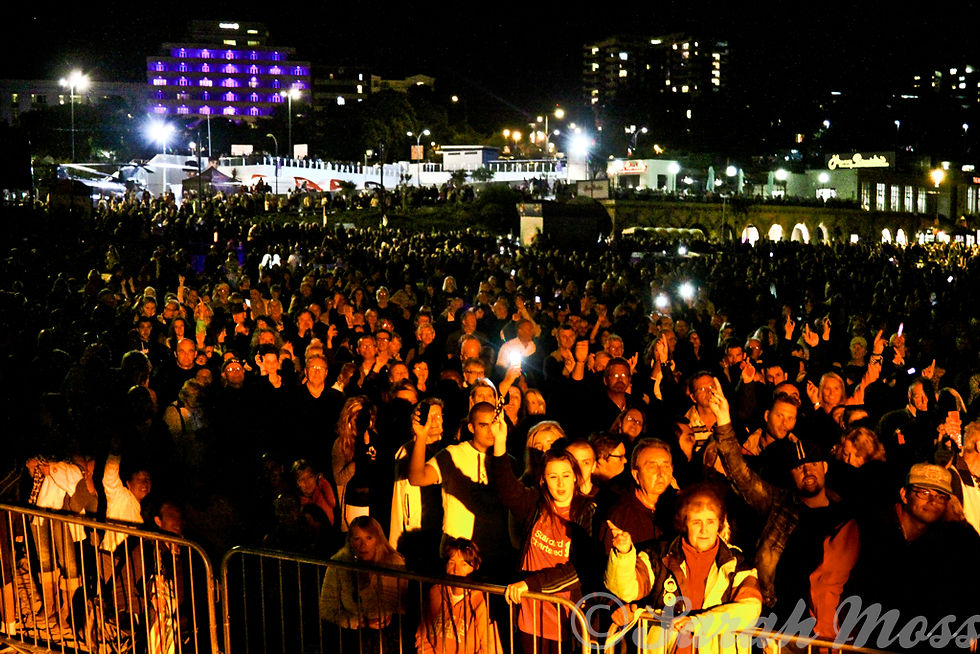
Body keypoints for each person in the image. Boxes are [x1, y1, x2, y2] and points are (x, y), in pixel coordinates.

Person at [488, 412, 600, 654]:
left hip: (567, 617)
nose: (560, 484)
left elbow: (580, 569)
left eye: (565, 476)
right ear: (543, 480)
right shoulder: (536, 504)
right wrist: (499, 443)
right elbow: (507, 490)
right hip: (531, 615)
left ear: (575, 478)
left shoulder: (587, 510)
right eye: (553, 477)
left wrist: (530, 584)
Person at [604, 483, 762, 654]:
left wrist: (700, 623)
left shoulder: (737, 563)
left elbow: (750, 607)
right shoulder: (659, 555)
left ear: (719, 523)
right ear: (684, 522)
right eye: (696, 522)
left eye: (710, 521)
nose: (704, 530)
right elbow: (626, 589)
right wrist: (624, 553)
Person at [319, 516, 407, 653]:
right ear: (350, 541)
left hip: (386, 637)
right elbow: (326, 608)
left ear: (377, 539)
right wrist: (357, 622)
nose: (363, 545)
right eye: (357, 539)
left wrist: (363, 583)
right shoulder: (339, 563)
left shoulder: (392, 564)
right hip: (350, 633)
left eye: (368, 538)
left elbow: (380, 616)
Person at [415, 538, 504, 654]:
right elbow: (422, 636)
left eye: (464, 564)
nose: (456, 570)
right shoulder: (435, 592)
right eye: (451, 562)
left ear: (475, 567)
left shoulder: (482, 602)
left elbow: (491, 649)